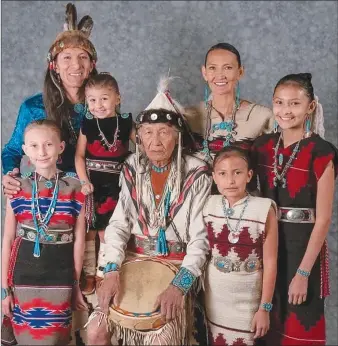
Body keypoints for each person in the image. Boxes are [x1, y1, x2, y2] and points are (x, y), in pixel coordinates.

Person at [84, 76, 212, 345]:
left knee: (162, 340)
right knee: (95, 331)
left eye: (164, 131)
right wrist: (111, 271)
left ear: (177, 136)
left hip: (176, 266)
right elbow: (118, 224)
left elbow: (201, 238)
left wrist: (179, 285)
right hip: (133, 260)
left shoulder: (197, 172)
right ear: (138, 136)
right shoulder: (132, 167)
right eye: (148, 132)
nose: (156, 140)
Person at [252, 73, 338, 345]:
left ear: (310, 107)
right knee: (263, 327)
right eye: (279, 103)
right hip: (265, 245)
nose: (285, 111)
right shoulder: (261, 146)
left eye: (294, 104)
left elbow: (323, 219)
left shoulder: (322, 152)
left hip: (302, 249)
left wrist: (303, 274)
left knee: (298, 329)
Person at [1, 120, 87, 345]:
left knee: (55, 338)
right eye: (34, 146)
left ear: (61, 147)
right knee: (28, 338)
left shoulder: (75, 188)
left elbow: (78, 241)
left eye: (48, 144)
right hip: (24, 273)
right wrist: (3, 290)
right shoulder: (16, 187)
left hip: (60, 275)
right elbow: (8, 239)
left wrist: (75, 284)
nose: (42, 152)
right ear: (25, 150)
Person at [2, 2, 98, 198]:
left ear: (92, 65)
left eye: (83, 57)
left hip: (96, 194)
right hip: (50, 197)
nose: (76, 65)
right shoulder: (34, 107)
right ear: (54, 65)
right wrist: (9, 174)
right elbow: (12, 150)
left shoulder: (103, 104)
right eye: (66, 58)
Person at [203, 147, 278, 345]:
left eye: (237, 172)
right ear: (214, 177)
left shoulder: (263, 209)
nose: (230, 180)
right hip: (216, 297)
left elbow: (270, 262)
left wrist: (264, 308)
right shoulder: (208, 205)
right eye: (222, 174)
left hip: (248, 299)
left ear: (249, 175)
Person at [75, 73, 135, 295]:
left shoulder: (127, 121)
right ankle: (89, 273)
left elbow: (144, 145)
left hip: (117, 183)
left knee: (107, 232)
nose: (98, 105)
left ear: (117, 98)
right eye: (92, 100)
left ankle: (103, 272)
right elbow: (79, 156)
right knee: (90, 231)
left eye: (104, 99)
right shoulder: (88, 124)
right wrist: (83, 180)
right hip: (93, 184)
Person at [184, 42, 274, 167]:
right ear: (204, 73)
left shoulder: (262, 116)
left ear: (240, 72)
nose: (220, 75)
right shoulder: (188, 116)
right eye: (212, 68)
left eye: (228, 68)